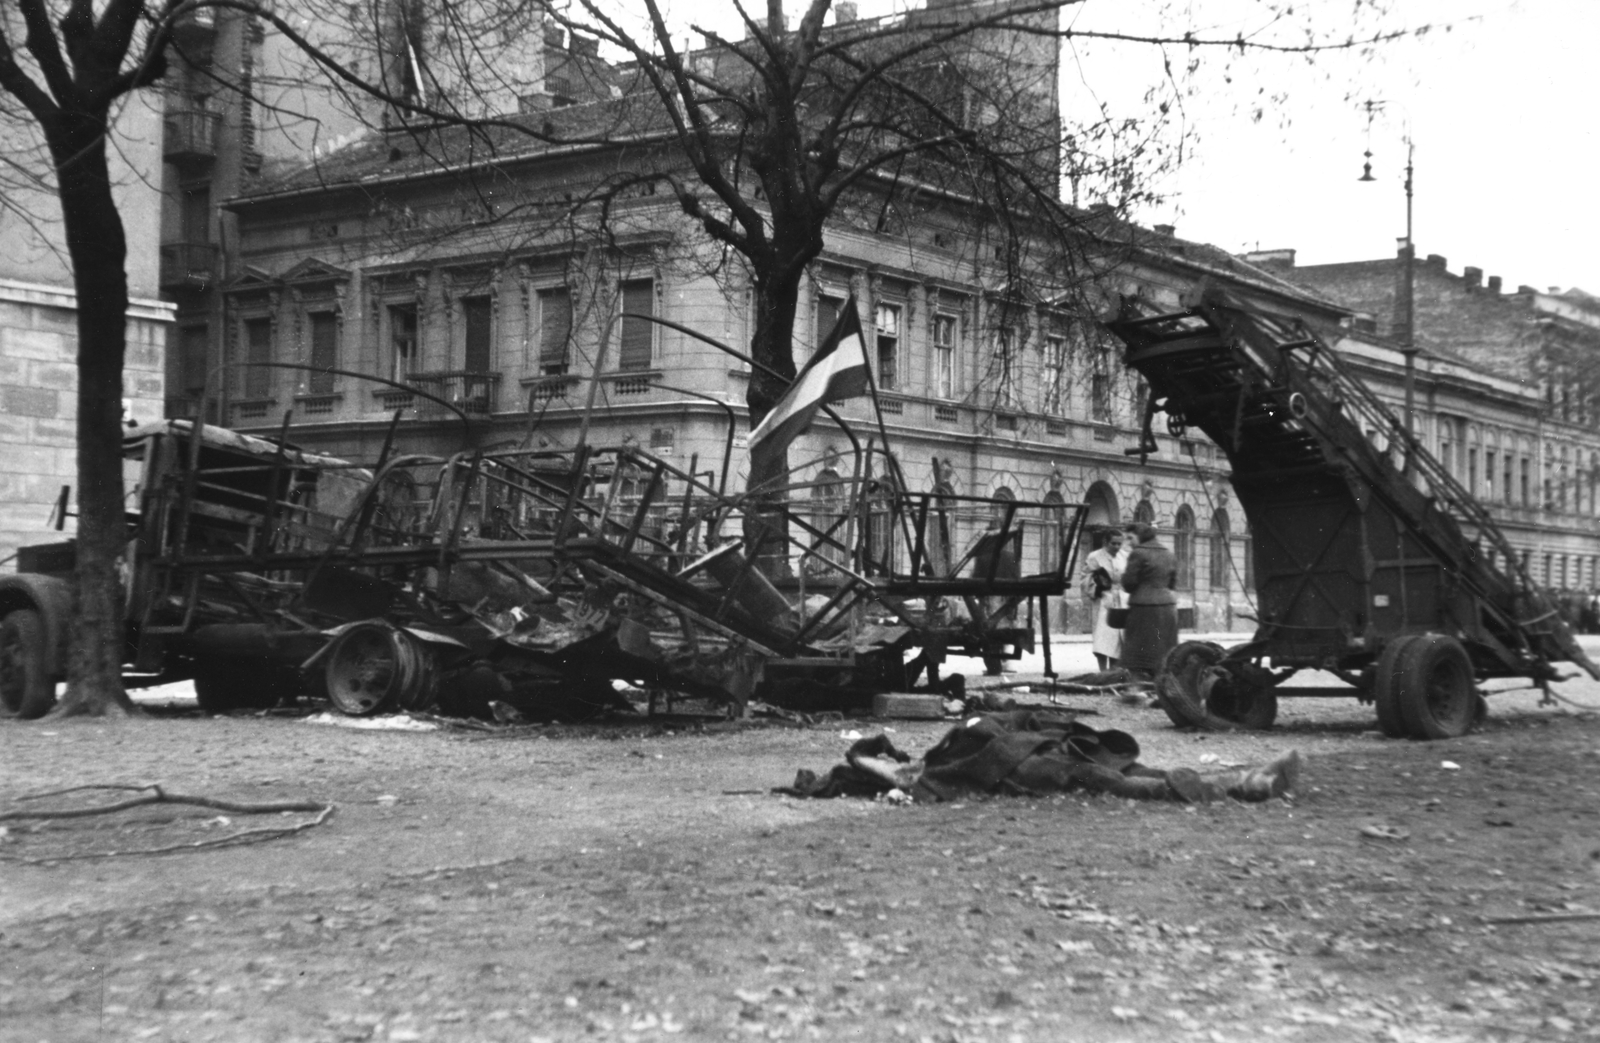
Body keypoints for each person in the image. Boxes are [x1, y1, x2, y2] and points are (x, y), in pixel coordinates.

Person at [1120, 522, 1179, 681]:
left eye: (1130, 538)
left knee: (1137, 649)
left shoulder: (1138, 553)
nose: (1129, 542)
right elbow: (1173, 583)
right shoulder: (1168, 553)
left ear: (1140, 536)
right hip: (1168, 607)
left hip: (1143, 608)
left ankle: (1135, 688)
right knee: (1163, 650)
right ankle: (1160, 688)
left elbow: (1128, 583)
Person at [1080, 529, 1129, 670]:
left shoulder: (1125, 556)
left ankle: (1114, 671)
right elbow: (1085, 577)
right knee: (1102, 637)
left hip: (1121, 601)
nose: (1117, 547)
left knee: (1117, 638)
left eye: (1120, 544)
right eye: (1114, 543)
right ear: (1105, 542)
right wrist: (1096, 588)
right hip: (1103, 600)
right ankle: (1102, 670)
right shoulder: (1095, 557)